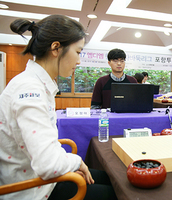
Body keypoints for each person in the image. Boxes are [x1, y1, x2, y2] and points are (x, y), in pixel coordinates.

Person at [0, 15, 117, 199]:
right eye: (78, 52)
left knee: (112, 179)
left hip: (43, 179)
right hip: (34, 190)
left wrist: (69, 165)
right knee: (115, 193)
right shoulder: (30, 89)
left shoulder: (38, 84)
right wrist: (76, 162)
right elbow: (47, 164)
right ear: (56, 48)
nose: (79, 61)